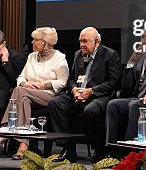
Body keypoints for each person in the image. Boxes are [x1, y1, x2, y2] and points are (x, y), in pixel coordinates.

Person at [48, 27, 121, 163]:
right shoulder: (78, 55)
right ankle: (68, 148)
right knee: (55, 103)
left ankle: (99, 149)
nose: (82, 44)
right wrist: (74, 90)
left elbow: (113, 82)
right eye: (80, 41)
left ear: (97, 42)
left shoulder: (110, 55)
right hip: (78, 93)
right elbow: (70, 79)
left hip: (99, 96)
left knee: (91, 110)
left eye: (85, 41)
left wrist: (91, 91)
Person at [1, 27, 69, 160]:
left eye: (36, 40)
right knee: (22, 94)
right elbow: (20, 77)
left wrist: (44, 85)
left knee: (19, 92)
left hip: (49, 95)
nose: (32, 42)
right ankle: (23, 145)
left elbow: (63, 81)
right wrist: (25, 83)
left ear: (46, 43)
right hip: (27, 94)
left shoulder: (59, 58)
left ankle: (7, 129)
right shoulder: (32, 57)